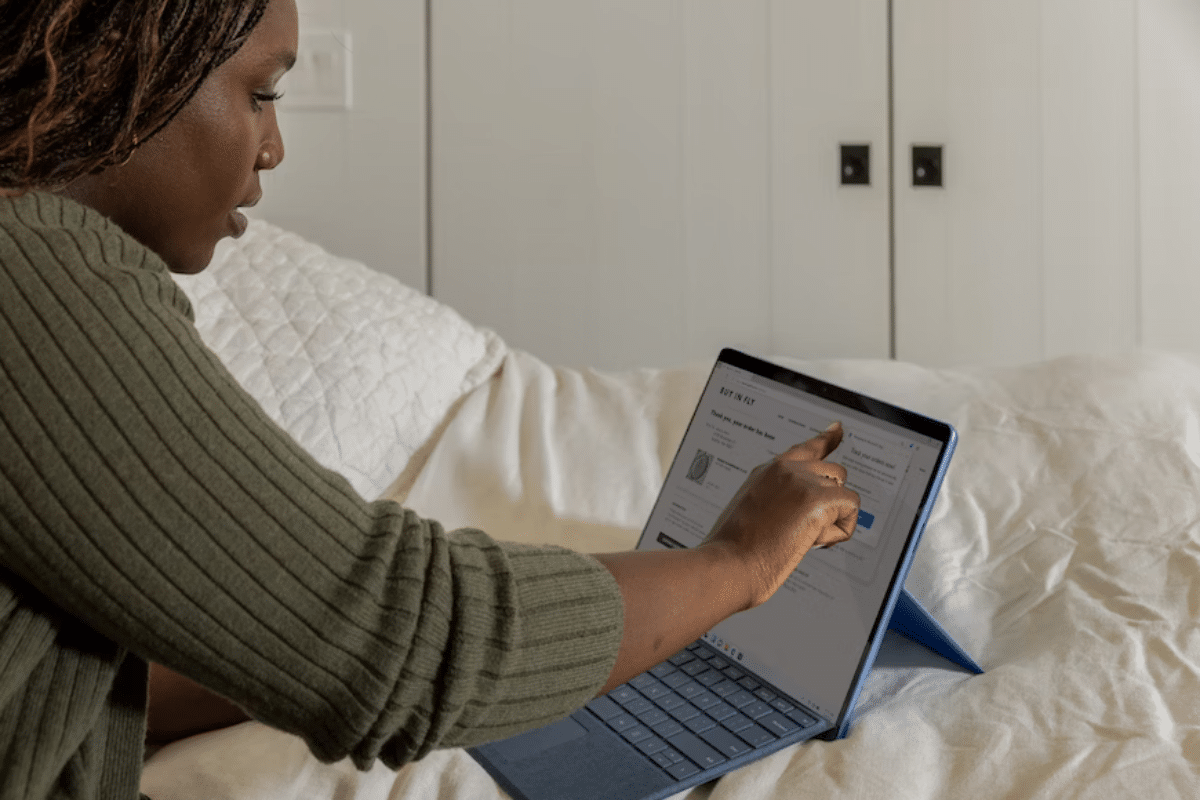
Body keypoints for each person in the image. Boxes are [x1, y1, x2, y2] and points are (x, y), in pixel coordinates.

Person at [0, 1, 860, 798]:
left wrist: (275, 651)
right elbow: (407, 638)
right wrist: (736, 564)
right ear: (116, 63)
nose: (272, 148)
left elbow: (102, 654)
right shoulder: (29, 267)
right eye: (260, 94)